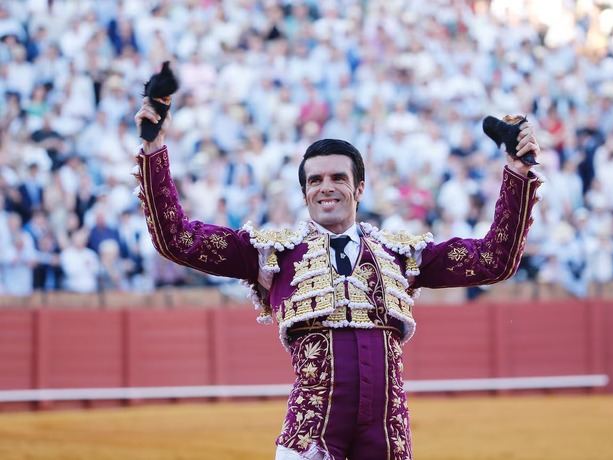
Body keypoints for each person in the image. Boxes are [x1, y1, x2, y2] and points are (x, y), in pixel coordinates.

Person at [134, 97, 541, 460]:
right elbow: (178, 239)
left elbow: (494, 260)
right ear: (305, 193)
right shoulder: (271, 253)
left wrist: (516, 172)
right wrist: (154, 149)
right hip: (312, 431)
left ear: (359, 188)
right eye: (315, 181)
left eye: (337, 178)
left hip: (386, 433)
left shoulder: (401, 255)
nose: (325, 188)